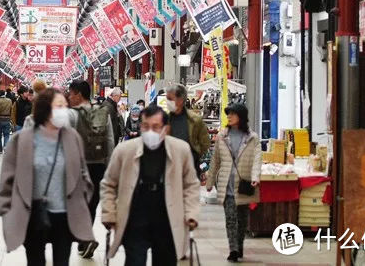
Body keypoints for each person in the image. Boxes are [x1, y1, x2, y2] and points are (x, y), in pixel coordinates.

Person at [0, 88, 94, 266]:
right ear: (45, 109)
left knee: (62, 261)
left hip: (64, 215)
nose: (64, 110)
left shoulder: (72, 138)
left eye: (65, 106)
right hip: (32, 213)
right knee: (35, 260)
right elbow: (7, 180)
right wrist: (7, 211)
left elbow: (83, 174)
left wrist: (82, 200)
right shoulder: (22, 140)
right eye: (59, 106)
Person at [100, 105, 201, 265]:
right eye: (146, 126)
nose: (150, 131)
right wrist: (109, 213)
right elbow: (108, 184)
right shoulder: (125, 150)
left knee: (165, 260)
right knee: (135, 261)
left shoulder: (180, 150)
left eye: (156, 127)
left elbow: (191, 185)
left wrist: (191, 213)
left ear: (166, 128)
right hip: (134, 217)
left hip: (167, 217)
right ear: (140, 126)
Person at [206, 102, 261, 263]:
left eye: (232, 114)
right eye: (228, 114)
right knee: (230, 219)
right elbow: (215, 160)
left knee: (242, 220)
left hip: (244, 184)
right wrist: (210, 181)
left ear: (241, 117)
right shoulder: (222, 136)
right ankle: (233, 249)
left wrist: (255, 176)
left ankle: (239, 245)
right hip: (226, 185)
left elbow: (258, 158)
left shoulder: (252, 138)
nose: (229, 116)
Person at [66, 79, 114, 259]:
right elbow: (109, 140)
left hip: (77, 166)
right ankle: (84, 239)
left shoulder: (71, 115)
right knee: (92, 204)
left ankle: (85, 238)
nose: (69, 98)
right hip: (98, 165)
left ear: (78, 94)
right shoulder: (103, 112)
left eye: (71, 94)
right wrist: (109, 166)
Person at [165, 83, 211, 179]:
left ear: (181, 100)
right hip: (169, 168)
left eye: (170, 99)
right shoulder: (164, 119)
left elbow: (205, 143)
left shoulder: (195, 120)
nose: (167, 102)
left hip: (191, 168)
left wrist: (194, 154)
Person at [0, 90, 13, 154]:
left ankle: (0, 150)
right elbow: (11, 110)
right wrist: (11, 119)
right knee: (6, 135)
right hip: (7, 119)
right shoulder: (9, 100)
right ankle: (5, 147)